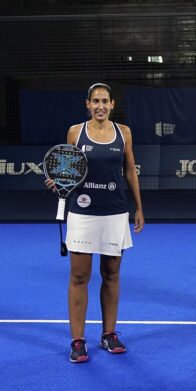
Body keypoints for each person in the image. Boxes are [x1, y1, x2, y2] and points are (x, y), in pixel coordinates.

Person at [45, 83, 144, 362]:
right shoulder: (76, 132)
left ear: (112, 104)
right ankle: (78, 340)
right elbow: (68, 168)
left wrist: (139, 207)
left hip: (114, 212)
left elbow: (130, 171)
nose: (100, 106)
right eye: (95, 101)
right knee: (79, 277)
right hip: (82, 213)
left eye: (105, 101)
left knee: (111, 274)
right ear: (87, 104)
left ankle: (109, 334)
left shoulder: (124, 133)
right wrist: (59, 182)